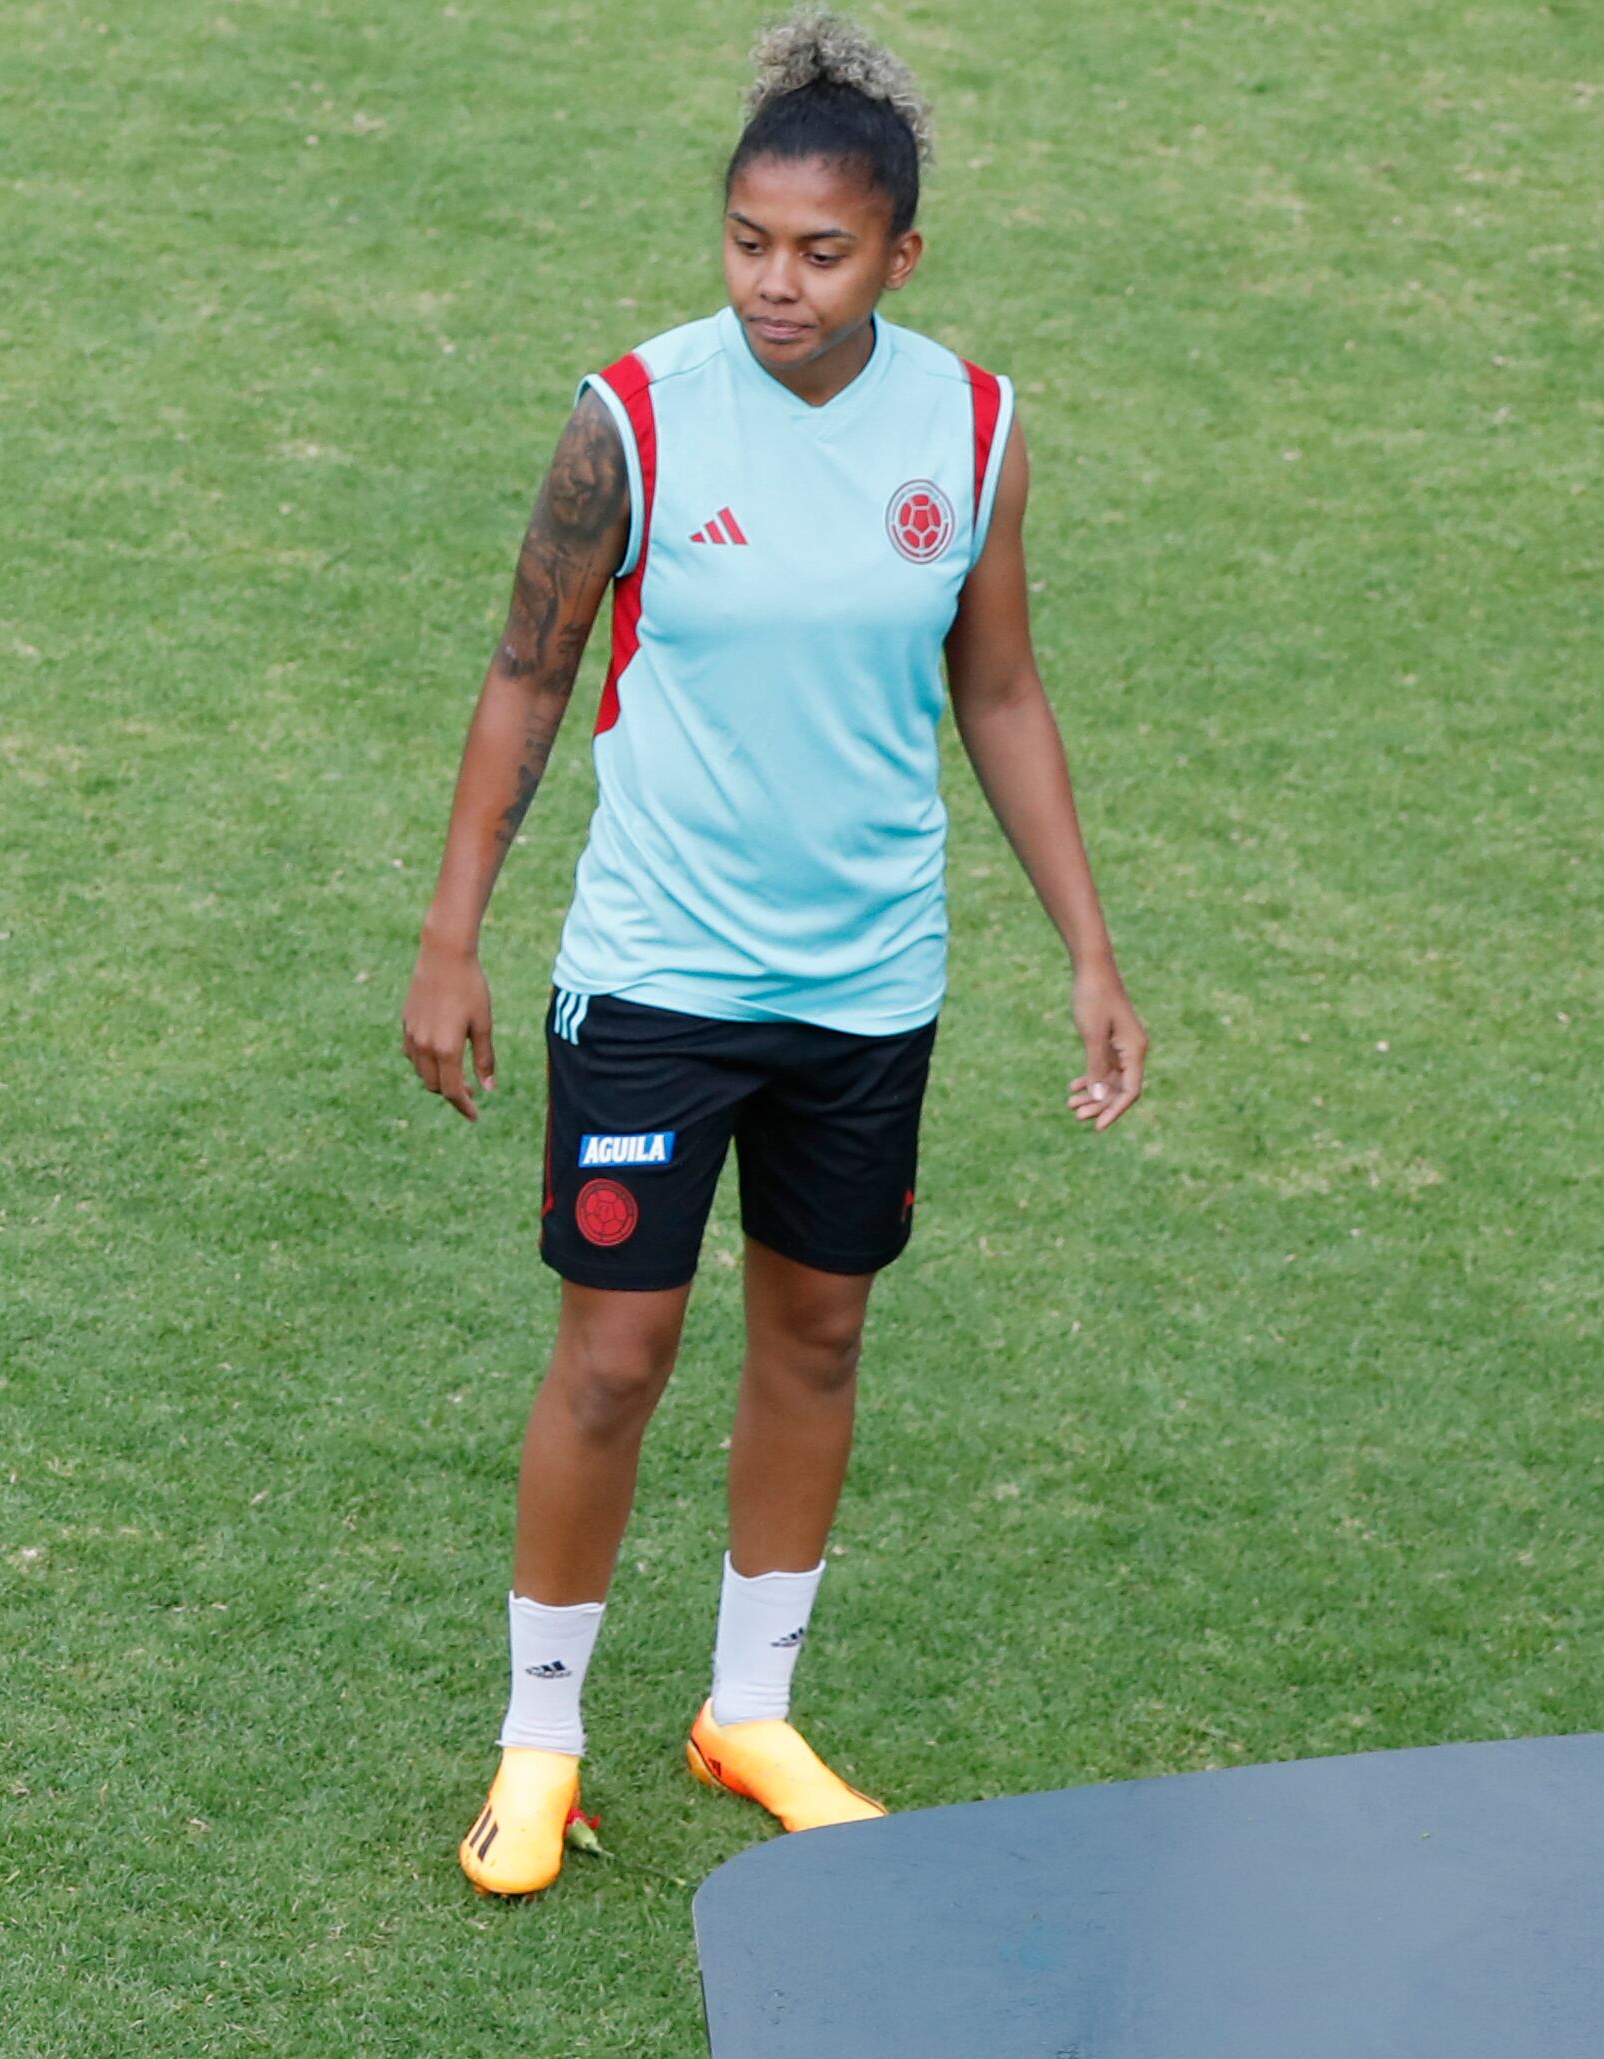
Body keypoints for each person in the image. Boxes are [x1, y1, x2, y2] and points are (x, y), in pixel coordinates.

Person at [399, 13, 1147, 1894]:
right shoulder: (634, 416)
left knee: (815, 1334)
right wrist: (451, 936)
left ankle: (751, 1712)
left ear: (902, 253)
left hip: (869, 985)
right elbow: (524, 677)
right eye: (748, 241)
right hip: (655, 976)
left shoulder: (970, 429)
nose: (776, 284)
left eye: (821, 252)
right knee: (616, 1357)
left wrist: (1090, 952)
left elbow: (1000, 687)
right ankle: (542, 1741)